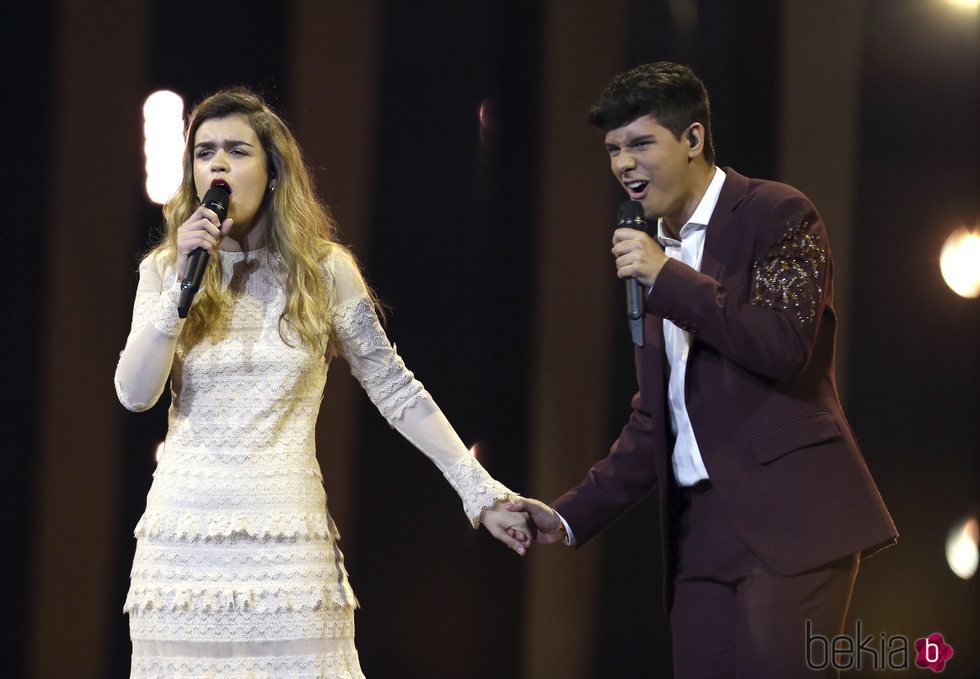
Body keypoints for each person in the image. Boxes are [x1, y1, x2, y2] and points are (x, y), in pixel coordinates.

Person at [114, 87, 529, 678]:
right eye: (205, 152)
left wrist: (479, 490)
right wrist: (179, 289)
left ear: (273, 170)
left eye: (237, 150)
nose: (219, 166)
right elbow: (134, 393)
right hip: (182, 548)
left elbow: (395, 387)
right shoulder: (164, 271)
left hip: (287, 543)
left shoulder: (324, 270)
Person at [507, 62, 897, 678]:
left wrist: (667, 277)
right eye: (613, 150)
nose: (624, 165)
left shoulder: (776, 213)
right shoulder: (652, 252)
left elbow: (783, 344)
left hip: (788, 517)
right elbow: (655, 417)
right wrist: (568, 515)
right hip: (697, 533)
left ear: (692, 139)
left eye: (640, 144)